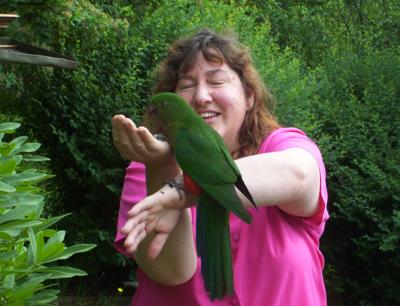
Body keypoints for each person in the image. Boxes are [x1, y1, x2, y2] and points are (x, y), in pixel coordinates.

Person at [112, 28, 328, 306]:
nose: (201, 97)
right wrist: (164, 170)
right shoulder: (150, 165)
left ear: (249, 96)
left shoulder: (282, 146)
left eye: (216, 81)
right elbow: (171, 272)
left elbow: (298, 175)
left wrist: (182, 192)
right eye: (187, 86)